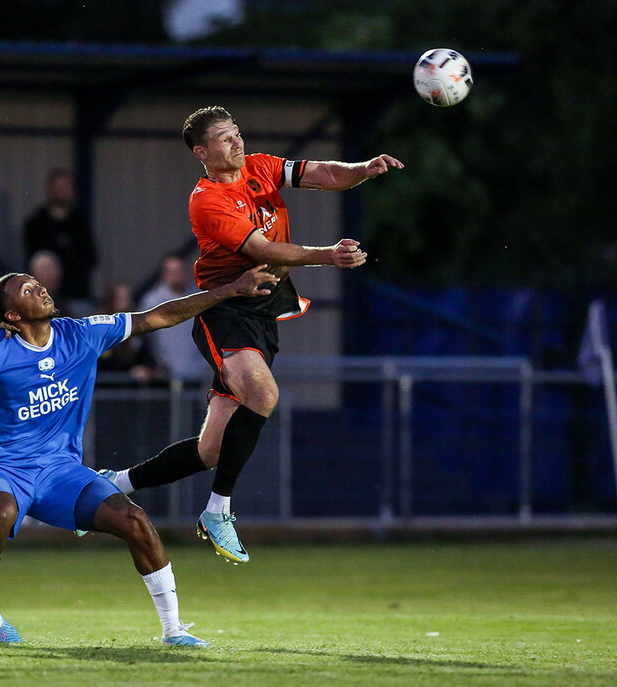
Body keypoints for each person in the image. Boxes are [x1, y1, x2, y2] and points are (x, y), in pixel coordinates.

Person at [0, 263, 279, 647]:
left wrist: (229, 290)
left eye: (37, 283)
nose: (40, 289)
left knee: (136, 522)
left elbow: (156, 317)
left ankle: (173, 629)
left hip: (61, 470)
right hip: (1, 465)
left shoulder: (81, 334)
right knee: (0, 513)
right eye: (28, 289)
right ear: (12, 314)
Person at [100, 105, 404, 564]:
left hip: (263, 313)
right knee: (262, 393)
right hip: (225, 309)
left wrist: (363, 169)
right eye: (224, 138)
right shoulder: (207, 199)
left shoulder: (260, 166)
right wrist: (328, 255)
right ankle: (217, 512)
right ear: (202, 152)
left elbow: (322, 173)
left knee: (209, 450)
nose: (237, 142)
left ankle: (111, 484)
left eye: (236, 132)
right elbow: (260, 248)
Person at [22, 169, 97, 309]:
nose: (61, 191)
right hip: (43, 298)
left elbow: (91, 257)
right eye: (58, 187)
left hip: (77, 295)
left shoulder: (80, 223)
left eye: (65, 187)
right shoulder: (36, 224)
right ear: (49, 189)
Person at [138, 254, 208, 382]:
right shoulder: (152, 301)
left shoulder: (200, 298)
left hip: (200, 371)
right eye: (172, 271)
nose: (177, 275)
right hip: (164, 374)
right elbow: (144, 338)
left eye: (180, 270)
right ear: (164, 274)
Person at [96, 282, 157, 385]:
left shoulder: (137, 327)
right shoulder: (101, 328)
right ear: (111, 300)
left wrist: (146, 369)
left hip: (132, 393)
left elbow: (147, 358)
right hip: (106, 390)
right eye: (122, 298)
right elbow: (102, 363)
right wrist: (128, 373)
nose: (127, 301)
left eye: (129, 297)